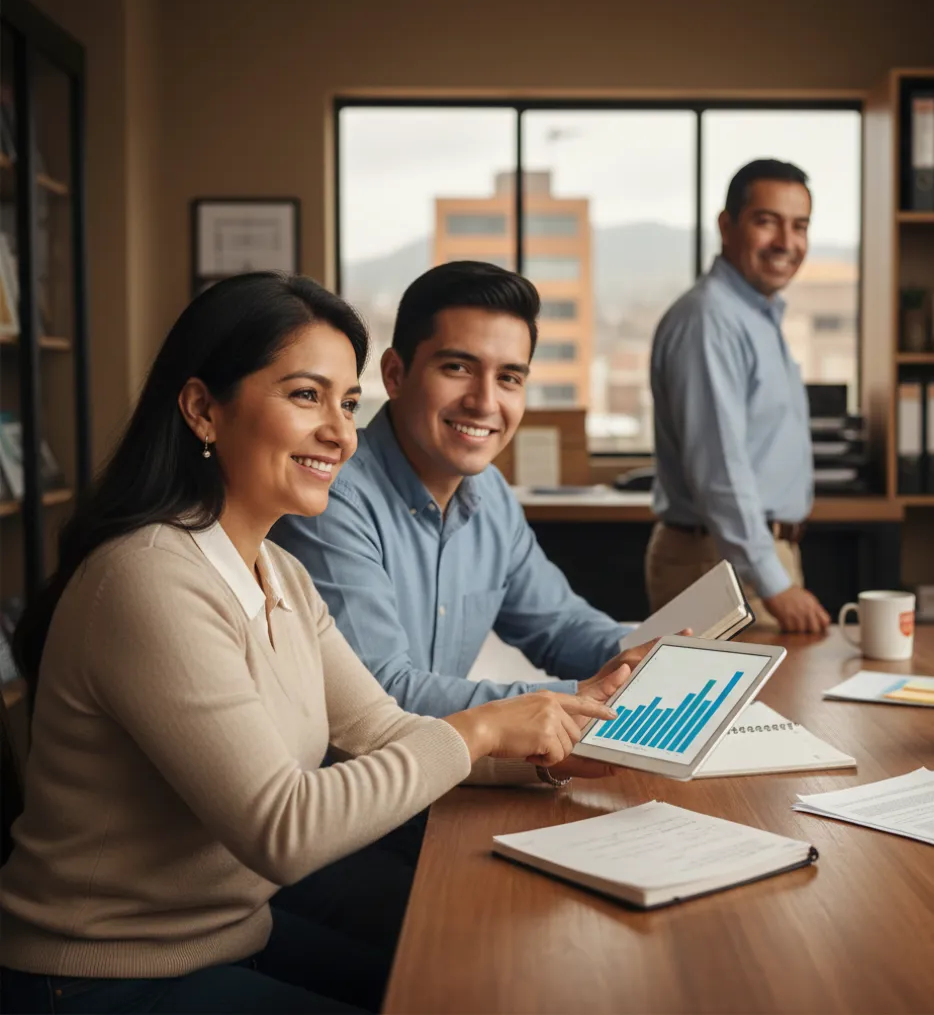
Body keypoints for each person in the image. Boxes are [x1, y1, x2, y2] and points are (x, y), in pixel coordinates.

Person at [0, 272, 620, 1015]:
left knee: (476, 979)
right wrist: (487, 726)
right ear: (203, 408)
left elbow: (385, 729)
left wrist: (547, 757)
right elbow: (282, 828)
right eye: (305, 396)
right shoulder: (147, 578)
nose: (342, 432)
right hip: (103, 976)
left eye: (348, 402)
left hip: (229, 932)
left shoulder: (279, 571)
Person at [271, 261, 653, 730]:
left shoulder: (489, 492)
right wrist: (576, 698)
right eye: (458, 367)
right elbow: (384, 692)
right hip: (359, 786)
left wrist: (647, 652)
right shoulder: (332, 495)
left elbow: (559, 624)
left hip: (447, 775)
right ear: (395, 374)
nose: (485, 402)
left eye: (509, 378)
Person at [647, 159, 831, 634]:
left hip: (747, 556)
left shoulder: (756, 316)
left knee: (777, 707)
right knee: (734, 710)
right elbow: (720, 468)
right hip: (721, 562)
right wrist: (774, 582)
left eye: (800, 226)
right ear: (727, 226)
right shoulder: (712, 320)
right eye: (766, 221)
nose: (786, 243)